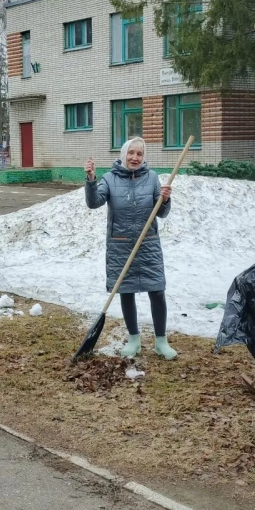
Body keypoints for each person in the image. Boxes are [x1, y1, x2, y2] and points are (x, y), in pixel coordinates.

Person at [84, 137, 176, 360]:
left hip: (148, 243)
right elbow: (94, 202)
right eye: (131, 153)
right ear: (124, 154)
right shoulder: (109, 179)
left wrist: (165, 200)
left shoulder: (152, 178)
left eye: (140, 154)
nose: (135, 157)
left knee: (157, 290)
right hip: (121, 244)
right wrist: (91, 179)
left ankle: (160, 341)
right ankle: (134, 339)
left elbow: (161, 214)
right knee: (126, 292)